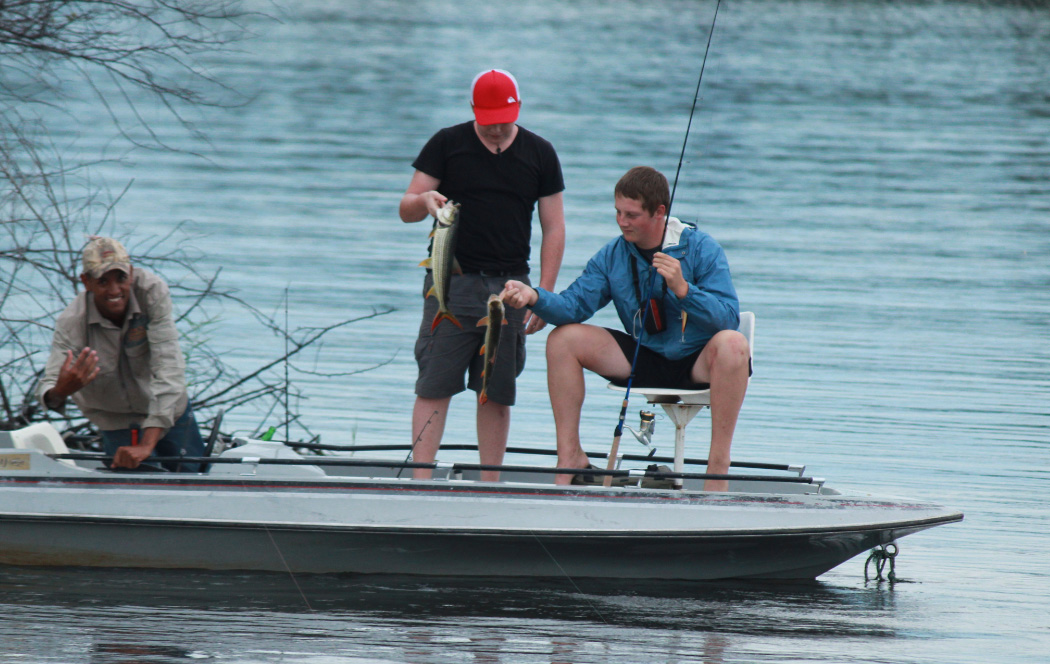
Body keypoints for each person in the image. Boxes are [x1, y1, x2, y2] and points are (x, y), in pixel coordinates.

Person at [501, 166, 750, 491]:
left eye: (631, 215)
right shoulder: (612, 255)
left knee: (734, 343)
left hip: (697, 362)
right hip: (643, 358)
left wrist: (683, 289)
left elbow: (728, 318)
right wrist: (533, 296)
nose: (621, 221)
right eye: (618, 212)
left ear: (660, 212)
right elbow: (573, 307)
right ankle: (570, 458)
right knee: (562, 339)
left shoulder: (702, 248)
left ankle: (717, 470)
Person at [398, 69, 566, 481]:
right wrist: (424, 200)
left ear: (517, 110)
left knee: (496, 390)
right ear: (475, 111)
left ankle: (489, 483)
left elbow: (555, 227)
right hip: (452, 283)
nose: (496, 130)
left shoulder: (540, 152)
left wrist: (543, 294)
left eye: (503, 121)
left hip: (511, 287)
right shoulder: (446, 143)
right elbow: (405, 209)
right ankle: (420, 481)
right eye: (488, 121)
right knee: (434, 383)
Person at [36, 237, 205, 471]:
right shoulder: (72, 322)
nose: (114, 290)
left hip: (169, 409)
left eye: (121, 278)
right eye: (103, 281)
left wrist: (147, 444)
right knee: (137, 488)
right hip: (115, 419)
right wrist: (62, 390)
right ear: (86, 281)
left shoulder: (151, 293)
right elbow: (49, 386)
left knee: (194, 476)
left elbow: (170, 370)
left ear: (132, 274)